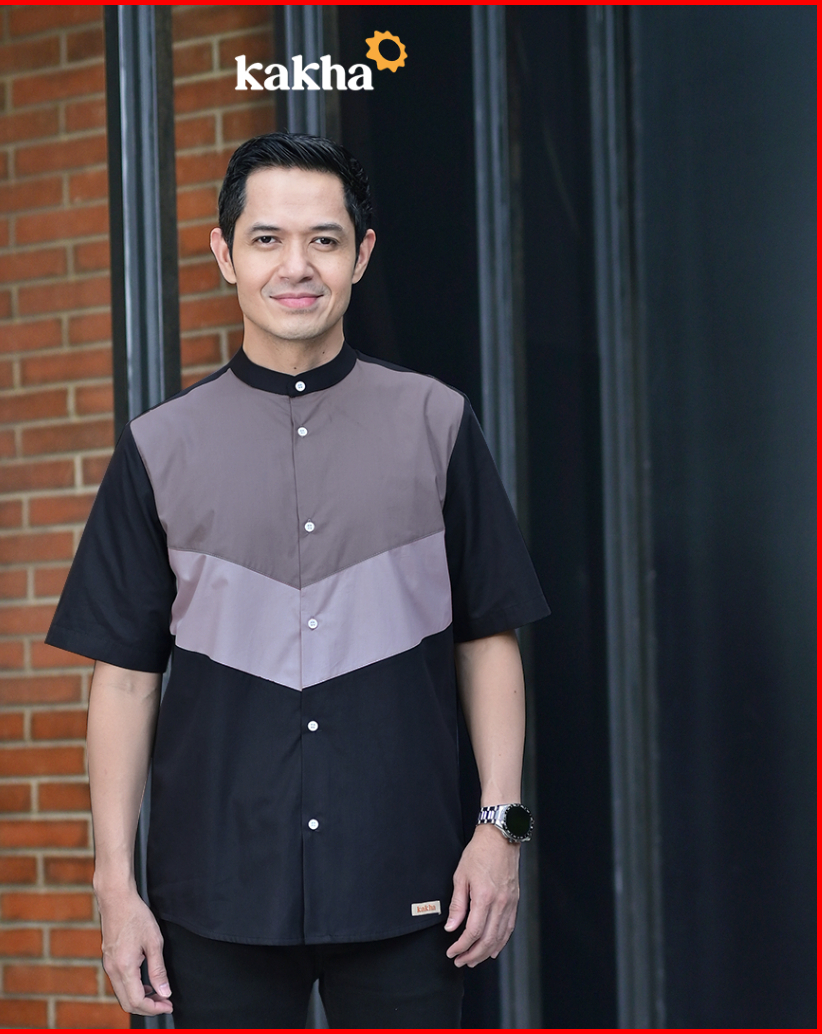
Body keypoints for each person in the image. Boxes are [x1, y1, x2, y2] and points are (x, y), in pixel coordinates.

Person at [45, 132, 549, 1028]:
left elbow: (487, 636)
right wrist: (115, 885)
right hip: (213, 894)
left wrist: (497, 828)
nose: (296, 266)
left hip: (407, 882)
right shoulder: (160, 448)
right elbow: (123, 678)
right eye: (267, 239)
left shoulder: (436, 423)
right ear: (224, 254)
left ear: (362, 254)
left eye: (323, 239)